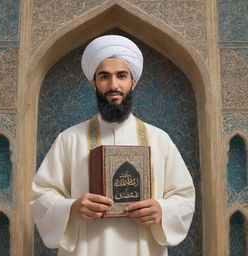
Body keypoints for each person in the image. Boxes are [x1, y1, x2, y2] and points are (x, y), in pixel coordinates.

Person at [31, 35, 195, 256]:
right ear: (94, 82)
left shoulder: (159, 139)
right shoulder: (69, 139)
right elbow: (41, 196)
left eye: (121, 76)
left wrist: (162, 210)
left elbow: (184, 197)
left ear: (133, 81)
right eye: (104, 76)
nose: (113, 85)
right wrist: (71, 208)